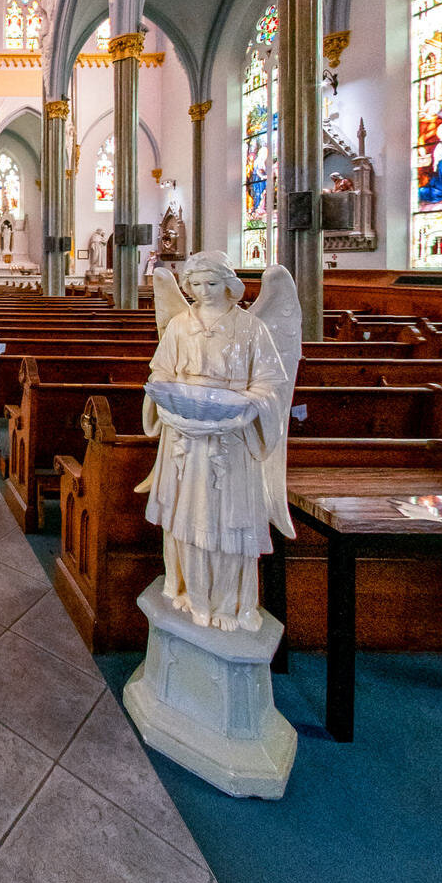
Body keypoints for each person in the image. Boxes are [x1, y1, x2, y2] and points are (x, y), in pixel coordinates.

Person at [138, 252, 293, 631]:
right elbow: (160, 370)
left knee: (228, 519)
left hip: (233, 442)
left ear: (228, 284)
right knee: (186, 515)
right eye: (195, 285)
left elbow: (272, 383)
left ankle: (231, 602)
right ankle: (186, 587)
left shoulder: (252, 328)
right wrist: (168, 403)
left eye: (211, 284)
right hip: (185, 441)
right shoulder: (179, 325)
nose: (204, 292)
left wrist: (245, 408)